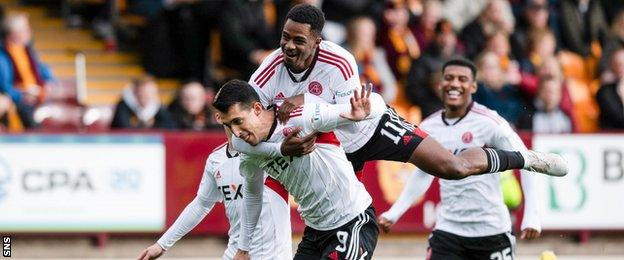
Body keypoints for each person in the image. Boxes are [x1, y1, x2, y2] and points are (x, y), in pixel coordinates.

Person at [235, 4, 567, 184]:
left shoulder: (339, 61)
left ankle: (524, 159)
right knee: (333, 224)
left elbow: (355, 113)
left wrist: (305, 105)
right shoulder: (268, 69)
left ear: (317, 43)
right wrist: (280, 139)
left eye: (298, 40)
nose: (288, 46)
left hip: (371, 128)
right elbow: (246, 122)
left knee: (452, 167)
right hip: (331, 150)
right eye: (285, 37)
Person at [378, 58, 544, 259]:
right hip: (448, 230)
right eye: (449, 78)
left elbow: (527, 161)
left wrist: (532, 215)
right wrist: (394, 212)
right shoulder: (429, 127)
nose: (455, 83)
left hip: (491, 230)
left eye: (462, 79)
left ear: (473, 86)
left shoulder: (489, 122)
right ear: (441, 84)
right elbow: (423, 174)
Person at [213, 80, 385, 260]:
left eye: (238, 121)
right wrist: (243, 249)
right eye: (228, 125)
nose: (236, 132)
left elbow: (377, 105)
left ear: (257, 109)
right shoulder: (250, 151)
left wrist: (364, 112)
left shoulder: (301, 117)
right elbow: (253, 195)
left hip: (352, 220)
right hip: (315, 232)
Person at [136, 126, 292, 260]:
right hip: (235, 253)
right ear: (220, 117)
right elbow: (201, 205)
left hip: (272, 256)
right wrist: (161, 244)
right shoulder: (216, 159)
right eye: (232, 118)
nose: (238, 124)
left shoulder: (271, 151)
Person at [0, 12, 56, 128]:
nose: (29, 32)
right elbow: (4, 86)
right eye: (25, 29)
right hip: (18, 99)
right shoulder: (3, 56)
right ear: (14, 33)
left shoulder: (28, 51)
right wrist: (22, 96)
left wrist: (49, 81)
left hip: (35, 95)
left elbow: (43, 69)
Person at [110, 75, 176, 129]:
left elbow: (170, 128)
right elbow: (122, 127)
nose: (146, 96)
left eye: (149, 93)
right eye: (142, 93)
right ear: (135, 93)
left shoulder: (160, 109)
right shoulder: (123, 107)